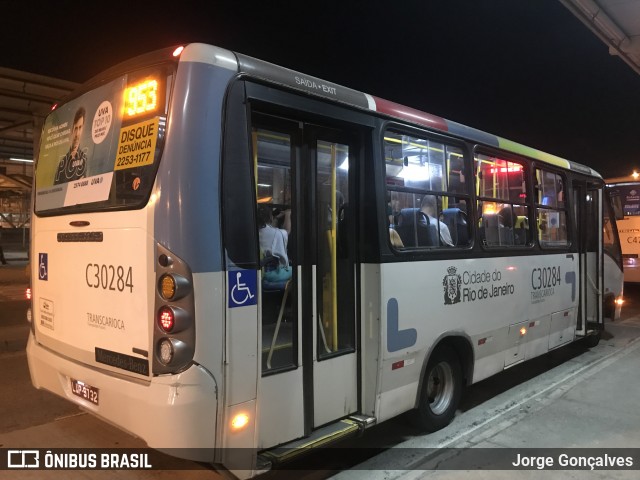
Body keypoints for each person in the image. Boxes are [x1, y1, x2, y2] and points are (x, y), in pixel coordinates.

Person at [258, 204, 292, 282]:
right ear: (270, 217)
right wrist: (287, 214)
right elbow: (287, 231)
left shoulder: (256, 232)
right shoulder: (276, 233)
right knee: (299, 272)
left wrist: (276, 218)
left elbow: (271, 231)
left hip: (262, 272)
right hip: (272, 273)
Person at [54, 106, 87, 185]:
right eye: (76, 128)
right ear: (72, 129)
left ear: (83, 128)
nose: (77, 134)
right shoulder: (62, 163)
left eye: (80, 128)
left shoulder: (84, 159)